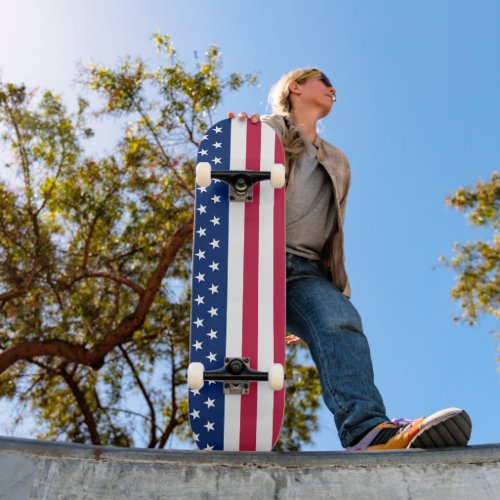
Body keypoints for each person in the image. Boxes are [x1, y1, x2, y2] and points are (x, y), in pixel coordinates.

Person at [229, 67, 472, 450]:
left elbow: (332, 229)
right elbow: (233, 165)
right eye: (323, 82)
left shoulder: (338, 161)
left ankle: (367, 432)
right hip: (258, 255)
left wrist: (322, 295)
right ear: (295, 87)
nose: (332, 89)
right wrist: (239, 138)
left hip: (306, 272)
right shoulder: (266, 130)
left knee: (341, 320)